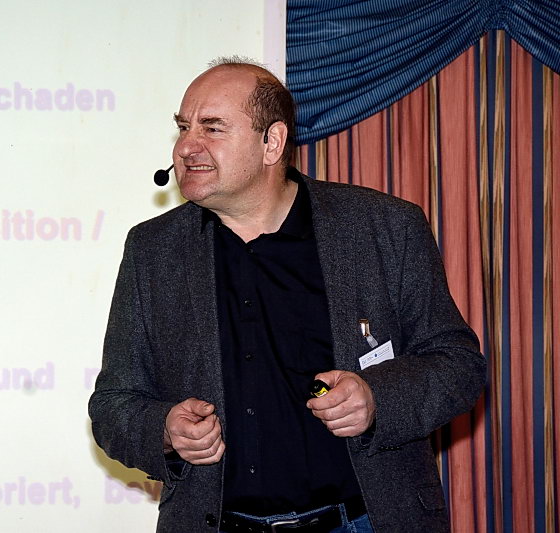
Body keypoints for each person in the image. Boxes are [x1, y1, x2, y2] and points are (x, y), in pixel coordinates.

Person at [88, 57, 486, 533]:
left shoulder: (384, 227)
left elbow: (458, 364)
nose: (186, 147)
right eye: (183, 127)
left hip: (363, 521)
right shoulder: (153, 250)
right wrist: (164, 429)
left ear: (272, 142)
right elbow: (113, 403)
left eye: (212, 128)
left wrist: (377, 397)